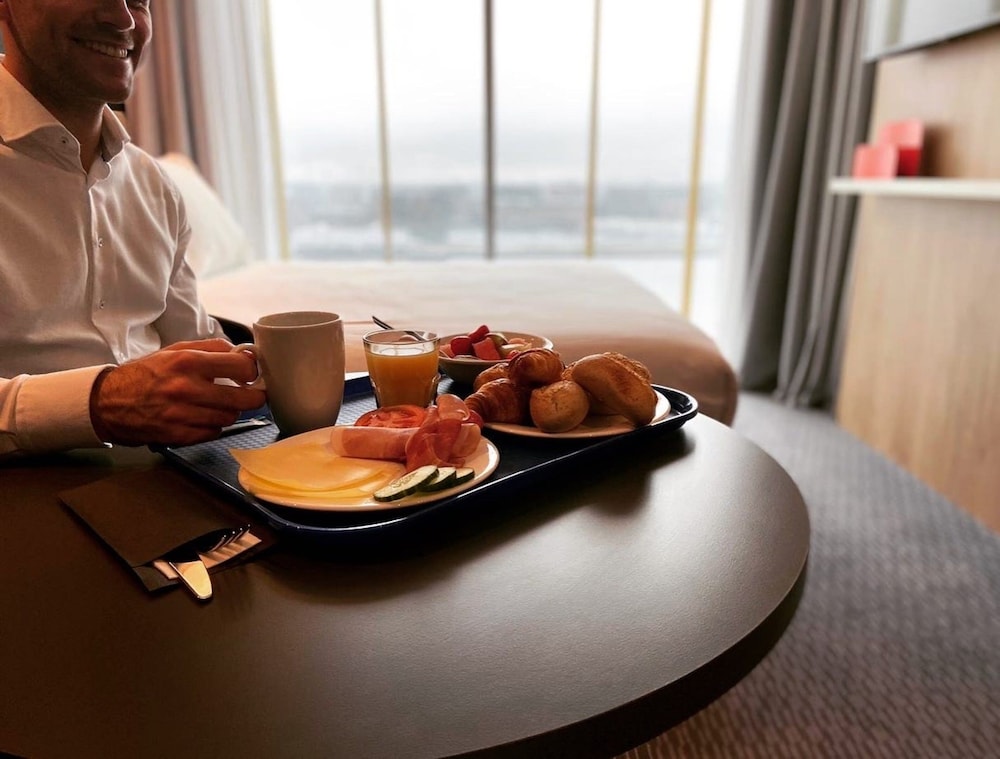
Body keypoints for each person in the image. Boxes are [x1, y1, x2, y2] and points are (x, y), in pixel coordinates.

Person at [0, 0, 265, 458]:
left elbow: (193, 342)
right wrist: (98, 403)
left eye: (139, 1)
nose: (124, 19)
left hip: (170, 474)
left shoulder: (152, 183)